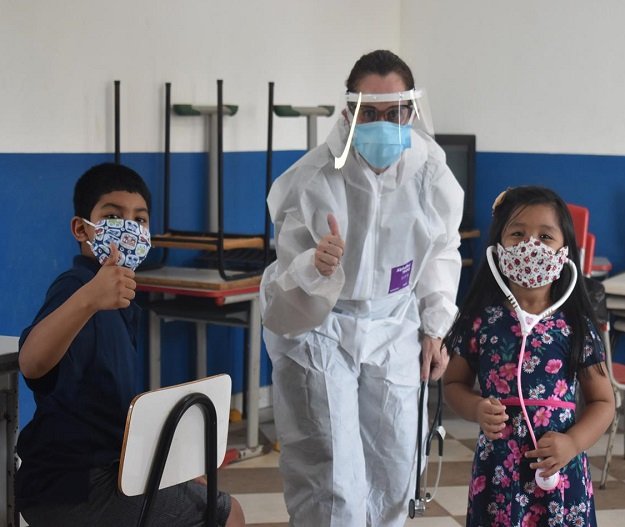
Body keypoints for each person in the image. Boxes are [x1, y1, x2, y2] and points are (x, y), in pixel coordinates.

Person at [260, 50, 464, 526]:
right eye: (369, 113)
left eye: (394, 113)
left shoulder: (429, 171)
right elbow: (286, 280)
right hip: (322, 330)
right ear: (348, 111)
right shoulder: (315, 177)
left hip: (394, 326)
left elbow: (441, 250)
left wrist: (435, 327)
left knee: (396, 468)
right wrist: (315, 265)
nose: (382, 125)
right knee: (332, 476)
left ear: (411, 111)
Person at [16, 162, 245, 527]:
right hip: (71, 485)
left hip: (112, 467)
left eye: (140, 219)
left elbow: (114, 411)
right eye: (112, 216)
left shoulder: (121, 301)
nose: (129, 228)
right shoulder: (76, 286)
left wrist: (171, 468)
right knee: (228, 514)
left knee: (206, 497)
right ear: (81, 229)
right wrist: (88, 298)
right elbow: (31, 363)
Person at [443, 186, 615, 526]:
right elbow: (452, 385)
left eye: (545, 236)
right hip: (498, 471)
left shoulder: (575, 325)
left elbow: (603, 402)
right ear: (499, 245)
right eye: (517, 234)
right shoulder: (481, 321)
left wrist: (573, 443)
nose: (530, 245)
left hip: (558, 472)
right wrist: (475, 408)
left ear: (563, 251)